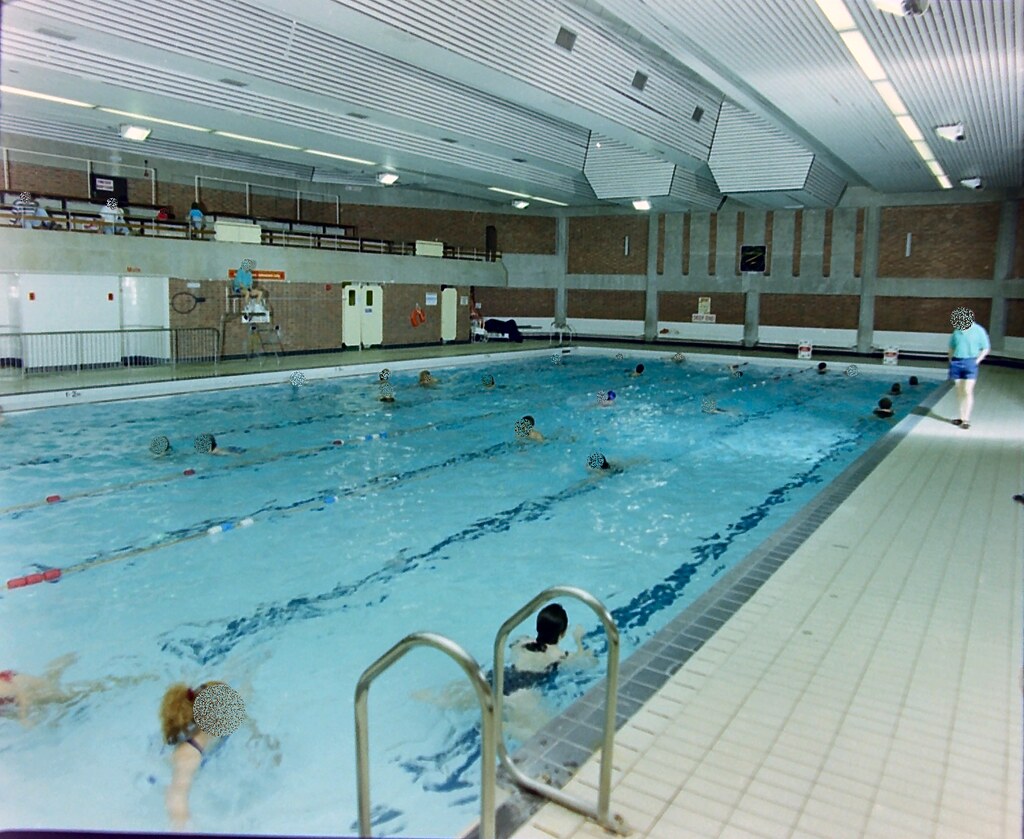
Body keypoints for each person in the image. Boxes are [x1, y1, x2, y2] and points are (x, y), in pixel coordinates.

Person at [1, 654, 154, 725]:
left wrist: (24, 716)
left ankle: (132, 680)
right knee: (51, 692)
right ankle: (56, 668)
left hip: (24, 686)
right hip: (20, 690)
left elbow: (20, 692)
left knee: (69, 698)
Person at [506, 604, 593, 690]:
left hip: (505, 677)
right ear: (563, 633)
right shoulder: (560, 656)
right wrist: (578, 640)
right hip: (525, 690)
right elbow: (589, 663)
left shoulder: (521, 640)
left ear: (537, 627)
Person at [947, 307, 990, 430]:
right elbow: (951, 347)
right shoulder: (956, 331)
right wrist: (951, 360)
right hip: (956, 361)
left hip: (970, 362)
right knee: (959, 390)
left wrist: (977, 360)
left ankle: (966, 419)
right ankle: (961, 417)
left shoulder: (979, 330)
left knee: (967, 390)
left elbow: (986, 348)